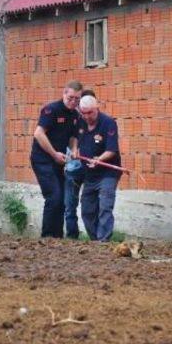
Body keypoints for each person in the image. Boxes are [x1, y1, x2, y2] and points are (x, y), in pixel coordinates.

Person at [31, 80, 83, 238]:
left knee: (61, 200)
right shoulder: (52, 109)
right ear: (64, 94)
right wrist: (54, 154)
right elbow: (38, 134)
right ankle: (47, 238)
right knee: (54, 196)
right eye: (71, 98)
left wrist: (74, 150)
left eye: (77, 99)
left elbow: (74, 137)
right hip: (43, 160)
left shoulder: (75, 115)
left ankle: (57, 238)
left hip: (59, 161)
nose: (73, 102)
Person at [75, 95, 121, 242]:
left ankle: (103, 240)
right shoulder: (80, 122)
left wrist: (99, 159)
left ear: (97, 109)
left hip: (108, 173)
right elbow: (74, 138)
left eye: (90, 113)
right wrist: (75, 149)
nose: (87, 116)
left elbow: (112, 150)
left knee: (105, 207)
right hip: (89, 174)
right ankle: (95, 240)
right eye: (84, 113)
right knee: (87, 211)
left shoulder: (108, 123)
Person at [63, 89, 95, 239]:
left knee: (90, 206)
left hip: (90, 169)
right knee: (70, 205)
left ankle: (97, 238)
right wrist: (75, 149)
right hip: (73, 167)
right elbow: (69, 139)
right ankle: (72, 236)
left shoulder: (100, 122)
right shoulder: (74, 119)